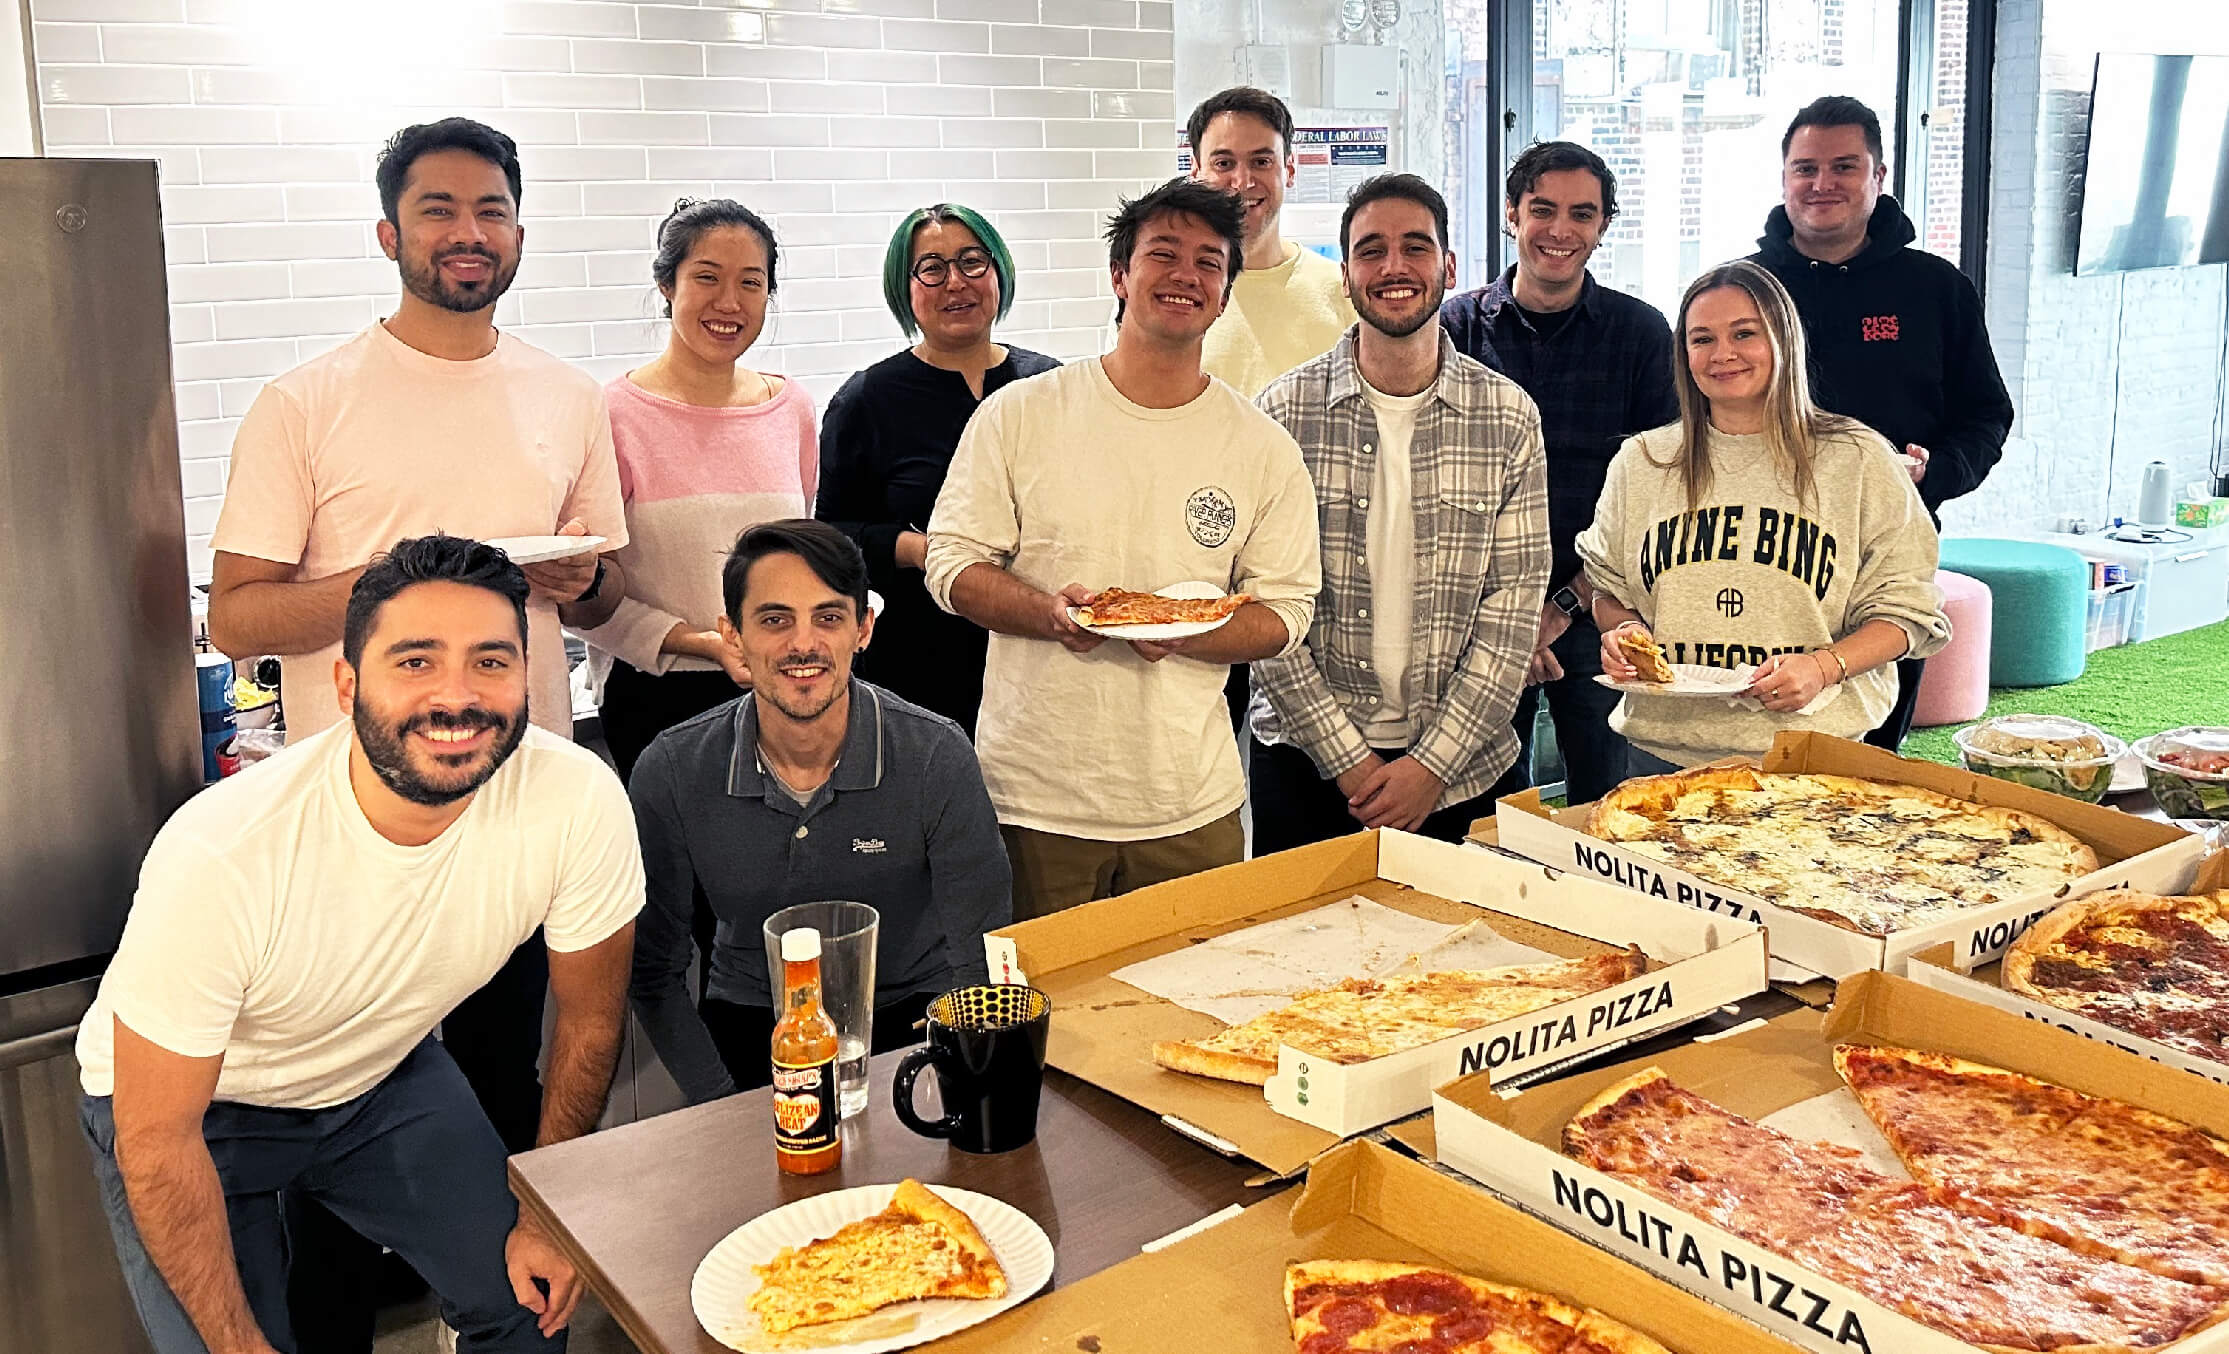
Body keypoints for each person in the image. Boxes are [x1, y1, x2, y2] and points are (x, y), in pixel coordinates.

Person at [201, 116, 627, 1351]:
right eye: (439, 210)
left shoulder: (563, 394)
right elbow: (237, 615)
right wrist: (411, 583)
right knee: (328, 1123)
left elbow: (593, 590)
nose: (467, 233)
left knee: (493, 1095)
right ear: (390, 232)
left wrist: (579, 579)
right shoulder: (308, 400)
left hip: (508, 810)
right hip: (352, 827)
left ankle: (484, 1322)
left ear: (519, 234)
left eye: (491, 210)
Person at [77, 536, 641, 1354]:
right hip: (196, 1113)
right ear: (346, 686)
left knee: (528, 1298)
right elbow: (159, 1135)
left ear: (529, 675)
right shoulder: (224, 852)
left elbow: (590, 1022)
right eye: (415, 662)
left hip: (376, 1079)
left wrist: (550, 1214)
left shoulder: (577, 799)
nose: (457, 697)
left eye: (491, 662)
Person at [926, 179, 1322, 918]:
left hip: (1191, 804)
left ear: (1226, 292)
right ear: (1120, 275)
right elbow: (952, 566)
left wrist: (1180, 629)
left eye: (1209, 263)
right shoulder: (1021, 414)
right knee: (1038, 1022)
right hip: (1034, 799)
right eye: (1162, 254)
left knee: (1190, 1016)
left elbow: (1286, 613)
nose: (1185, 276)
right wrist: (1048, 613)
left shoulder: (1262, 447)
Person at [628, 521, 1010, 1102]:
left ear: (864, 630)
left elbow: (982, 959)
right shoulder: (674, 770)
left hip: (913, 1021)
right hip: (755, 1019)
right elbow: (652, 973)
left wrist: (955, 1074)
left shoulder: (936, 755)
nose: (803, 644)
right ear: (733, 637)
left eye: (828, 618)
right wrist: (721, 1103)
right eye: (775, 620)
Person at [1251, 175, 1550, 851]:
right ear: (1346, 273)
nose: (1393, 267)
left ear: (1446, 266)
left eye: (1415, 247)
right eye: (1370, 250)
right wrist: (1350, 763)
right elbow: (1263, 610)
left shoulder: (1505, 417)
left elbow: (1510, 614)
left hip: (1464, 772)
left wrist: (1429, 767)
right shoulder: (1280, 414)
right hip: (1304, 766)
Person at [1578, 261, 1951, 773]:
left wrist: (1824, 667)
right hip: (1662, 751)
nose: (1722, 354)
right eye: (1701, 338)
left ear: (1783, 339)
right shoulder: (1643, 461)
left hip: (1816, 752)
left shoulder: (1859, 459)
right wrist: (1621, 634)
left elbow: (1909, 612)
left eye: (1744, 333)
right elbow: (1609, 591)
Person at [1753, 95, 2011, 752]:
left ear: (1878, 176)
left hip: (1888, 559)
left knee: (1868, 754)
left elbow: (1985, 416)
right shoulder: (1743, 287)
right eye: (1804, 168)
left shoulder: (1935, 290)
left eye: (1844, 166)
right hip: (1759, 554)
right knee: (1754, 747)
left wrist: (1934, 472)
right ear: (1783, 178)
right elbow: (1690, 419)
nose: (1821, 184)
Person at [1439, 142, 1678, 803]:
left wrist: (1564, 604)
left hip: (1598, 610)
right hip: (1476, 616)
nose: (1560, 231)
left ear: (1603, 225)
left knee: (1609, 798)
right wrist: (1511, 618)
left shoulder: (1641, 335)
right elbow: (1438, 489)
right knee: (1482, 804)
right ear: (1512, 214)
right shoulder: (1454, 329)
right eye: (1542, 209)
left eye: (1582, 213)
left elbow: (1655, 497)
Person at [578, 199, 816, 786]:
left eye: (751, 283)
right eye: (706, 277)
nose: (729, 302)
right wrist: (703, 644)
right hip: (658, 695)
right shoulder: (610, 415)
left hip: (782, 690)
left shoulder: (792, 409)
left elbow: (803, 559)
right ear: (666, 284)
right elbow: (585, 597)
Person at [817, 204, 1059, 735]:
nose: (956, 282)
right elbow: (832, 536)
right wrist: (920, 550)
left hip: (1041, 654)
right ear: (904, 289)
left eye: (972, 261)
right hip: (919, 662)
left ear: (1000, 271)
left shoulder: (1049, 386)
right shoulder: (867, 400)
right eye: (932, 267)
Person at [1182, 86, 1358, 742]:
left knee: (1303, 768)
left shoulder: (1335, 292)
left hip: (1315, 572)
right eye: (1223, 161)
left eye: (1261, 161)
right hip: (1200, 571)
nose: (1242, 180)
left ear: (1289, 170)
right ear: (1195, 169)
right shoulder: (1178, 295)